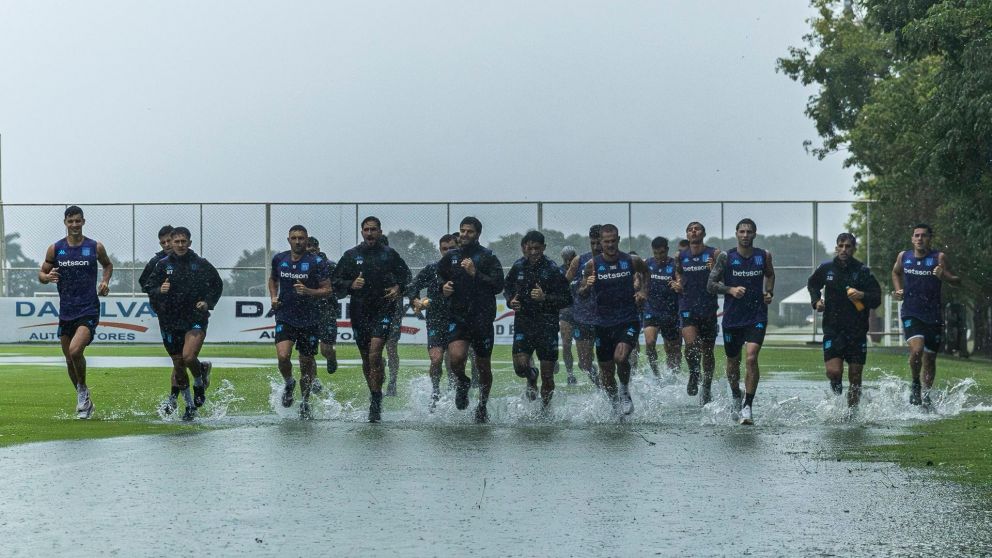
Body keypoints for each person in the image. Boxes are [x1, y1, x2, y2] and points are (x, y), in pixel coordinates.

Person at [38, 206, 113, 419]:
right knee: (69, 360)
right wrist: (47, 276)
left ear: (83, 222)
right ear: (65, 222)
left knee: (75, 350)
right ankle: (84, 397)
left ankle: (82, 393)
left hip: (88, 308)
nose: (74, 225)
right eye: (70, 221)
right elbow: (42, 274)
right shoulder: (56, 249)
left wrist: (105, 281)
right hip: (66, 310)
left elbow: (108, 265)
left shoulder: (94, 246)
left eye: (78, 221)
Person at [332, 217, 410, 423]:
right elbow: (335, 281)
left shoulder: (389, 254)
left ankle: (375, 402)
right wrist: (351, 284)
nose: (369, 233)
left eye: (373, 229)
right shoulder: (351, 255)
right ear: (361, 232)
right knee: (367, 358)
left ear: (379, 231)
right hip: (360, 312)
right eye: (366, 230)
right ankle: (375, 392)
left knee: (375, 353)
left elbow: (407, 276)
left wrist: (397, 288)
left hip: (384, 308)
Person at [148, 227, 223, 420]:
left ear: (189, 243)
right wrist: (160, 290)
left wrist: (208, 302)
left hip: (195, 318)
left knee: (189, 357)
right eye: (176, 242)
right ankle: (190, 406)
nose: (180, 245)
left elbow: (217, 285)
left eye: (184, 242)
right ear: (170, 243)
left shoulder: (201, 263)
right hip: (170, 320)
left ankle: (199, 382)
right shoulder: (162, 265)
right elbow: (150, 288)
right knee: (179, 365)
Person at [707, 219, 776, 425]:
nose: (745, 235)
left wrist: (769, 292)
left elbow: (770, 275)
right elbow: (711, 285)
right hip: (733, 318)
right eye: (742, 231)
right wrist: (730, 290)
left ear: (755, 234)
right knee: (733, 362)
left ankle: (748, 406)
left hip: (757, 316)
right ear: (736, 233)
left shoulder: (763, 256)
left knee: (751, 358)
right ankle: (736, 393)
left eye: (749, 232)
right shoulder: (726, 257)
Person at [437, 216, 505, 423]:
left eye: (470, 232)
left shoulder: (487, 257)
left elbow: (498, 286)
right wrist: (443, 287)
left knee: (483, 366)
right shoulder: (451, 256)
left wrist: (475, 273)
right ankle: (463, 382)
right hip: (458, 317)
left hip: (482, 318)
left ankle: (482, 405)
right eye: (463, 231)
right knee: (456, 358)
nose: (465, 235)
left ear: (478, 234)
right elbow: (440, 276)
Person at [577, 224, 648, 415]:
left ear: (618, 239)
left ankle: (624, 391)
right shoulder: (592, 265)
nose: (610, 245)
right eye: (606, 242)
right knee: (607, 373)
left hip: (627, 319)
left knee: (621, 357)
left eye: (613, 241)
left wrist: (642, 291)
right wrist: (586, 286)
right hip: (602, 323)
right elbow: (581, 292)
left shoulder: (631, 261)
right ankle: (615, 405)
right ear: (600, 242)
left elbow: (646, 272)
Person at [807, 232, 881, 409]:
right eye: (840, 246)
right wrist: (816, 300)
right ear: (836, 248)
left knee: (855, 376)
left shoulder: (862, 271)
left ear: (854, 249)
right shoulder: (827, 268)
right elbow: (813, 284)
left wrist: (862, 295)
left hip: (857, 330)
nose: (844, 250)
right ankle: (836, 383)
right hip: (833, 328)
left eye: (848, 247)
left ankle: (852, 413)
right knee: (834, 371)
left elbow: (876, 298)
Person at [891, 223, 960, 408]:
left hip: (933, 315)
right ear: (912, 239)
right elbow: (896, 272)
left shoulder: (938, 257)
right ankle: (915, 383)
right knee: (917, 350)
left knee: (929, 358)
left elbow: (956, 281)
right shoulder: (903, 256)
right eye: (917, 235)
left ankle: (927, 395)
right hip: (911, 312)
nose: (920, 238)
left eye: (924, 235)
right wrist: (898, 290)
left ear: (930, 238)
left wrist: (943, 276)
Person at [269, 225, 333, 419]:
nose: (298, 241)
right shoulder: (280, 259)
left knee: (306, 362)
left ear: (307, 240)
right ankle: (289, 382)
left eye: (301, 238)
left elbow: (327, 290)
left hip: (310, 319)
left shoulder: (316, 262)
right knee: (283, 356)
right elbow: (273, 279)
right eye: (294, 238)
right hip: (285, 315)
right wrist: (273, 296)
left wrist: (309, 292)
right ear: (289, 240)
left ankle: (305, 402)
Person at [504, 231, 573, 409]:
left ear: (544, 248)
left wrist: (545, 298)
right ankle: (531, 376)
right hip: (523, 324)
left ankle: (545, 410)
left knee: (548, 376)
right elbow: (507, 288)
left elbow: (567, 299)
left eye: (537, 248)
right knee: (520, 368)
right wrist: (511, 301)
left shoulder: (552, 269)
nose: (533, 252)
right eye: (530, 248)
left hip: (547, 326)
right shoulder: (518, 266)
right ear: (524, 248)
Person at [138, 225, 191, 415]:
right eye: (164, 242)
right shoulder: (157, 262)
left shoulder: (190, 260)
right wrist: (159, 292)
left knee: (182, 359)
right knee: (178, 360)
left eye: (171, 240)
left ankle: (177, 400)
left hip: (187, 316)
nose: (168, 244)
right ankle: (199, 370)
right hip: (166, 316)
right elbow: (145, 284)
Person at [407, 234, 458, 410]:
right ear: (440, 250)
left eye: (452, 248)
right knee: (436, 359)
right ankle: (435, 392)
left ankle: (454, 391)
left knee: (454, 360)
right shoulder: (432, 269)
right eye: (445, 249)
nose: (449, 252)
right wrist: (415, 301)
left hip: (457, 319)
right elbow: (413, 287)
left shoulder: (465, 268)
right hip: (436, 319)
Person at [673, 222, 721, 404]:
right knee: (691, 345)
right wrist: (678, 283)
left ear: (704, 233)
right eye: (690, 229)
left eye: (697, 228)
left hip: (708, 307)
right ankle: (694, 372)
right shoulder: (680, 255)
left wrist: (714, 270)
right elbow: (678, 274)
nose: (693, 231)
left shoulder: (714, 253)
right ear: (686, 234)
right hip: (687, 306)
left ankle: (707, 385)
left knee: (707, 351)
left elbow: (723, 277)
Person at [565, 225, 603, 386]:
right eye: (593, 243)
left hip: (606, 318)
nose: (596, 247)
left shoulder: (616, 260)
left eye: (598, 243)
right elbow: (563, 284)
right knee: (584, 364)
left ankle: (613, 389)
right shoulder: (579, 261)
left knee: (608, 361)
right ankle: (600, 386)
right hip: (582, 317)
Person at [643, 236, 682, 378]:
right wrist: (639, 289)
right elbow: (638, 280)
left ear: (667, 250)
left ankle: (673, 376)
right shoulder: (647, 263)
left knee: (673, 349)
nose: (659, 256)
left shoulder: (674, 265)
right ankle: (656, 375)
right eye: (656, 253)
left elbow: (681, 282)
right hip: (651, 310)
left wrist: (679, 286)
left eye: (662, 253)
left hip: (671, 312)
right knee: (649, 342)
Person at [380, 235, 413, 397]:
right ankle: (380, 371)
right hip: (371, 310)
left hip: (393, 308)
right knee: (373, 349)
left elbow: (409, 280)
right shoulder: (364, 259)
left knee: (391, 347)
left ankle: (392, 381)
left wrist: (398, 288)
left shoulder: (395, 261)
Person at [307, 236, 341, 381]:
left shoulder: (330, 266)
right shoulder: (297, 265)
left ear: (318, 248)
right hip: (306, 312)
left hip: (327, 311)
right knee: (307, 352)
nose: (309, 249)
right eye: (307, 246)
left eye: (312, 247)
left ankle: (331, 357)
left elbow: (339, 286)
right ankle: (314, 381)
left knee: (326, 349)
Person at [558, 246, 579, 385]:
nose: (567, 262)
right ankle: (570, 374)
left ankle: (589, 365)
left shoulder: (583, 269)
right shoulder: (559, 271)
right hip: (566, 313)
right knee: (566, 345)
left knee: (586, 346)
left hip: (583, 313)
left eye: (570, 259)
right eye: (565, 259)